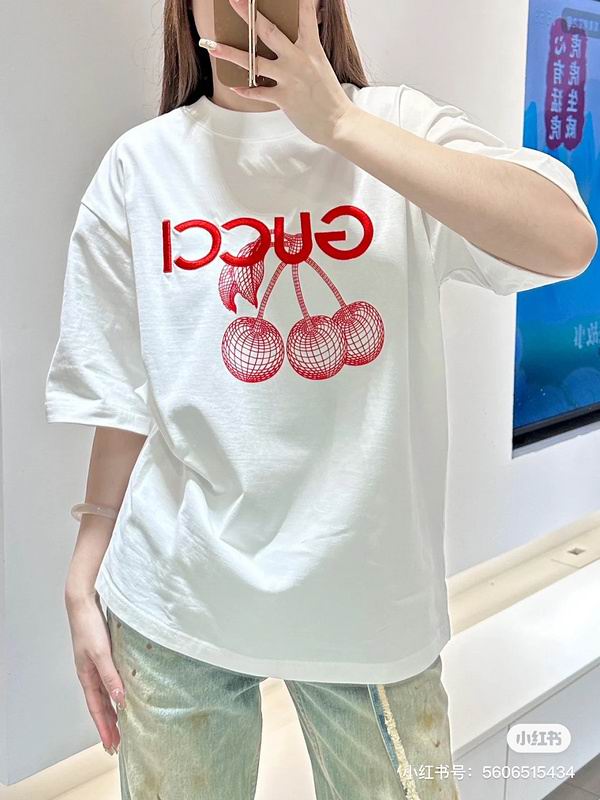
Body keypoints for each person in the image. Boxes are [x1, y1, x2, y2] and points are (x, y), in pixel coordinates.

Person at [44, 0, 597, 797]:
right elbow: (126, 390)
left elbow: (567, 241)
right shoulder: (140, 167)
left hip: (369, 611)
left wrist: (337, 123)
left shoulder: (393, 126)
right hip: (176, 600)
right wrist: (84, 567)